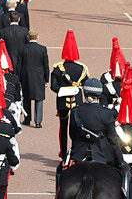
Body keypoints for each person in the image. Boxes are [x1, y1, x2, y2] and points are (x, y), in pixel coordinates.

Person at [50, 31, 89, 159]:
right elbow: (85, 84)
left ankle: (63, 152)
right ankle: (74, 152)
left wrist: (65, 90)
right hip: (77, 102)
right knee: (77, 128)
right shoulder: (82, 68)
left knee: (63, 128)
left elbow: (54, 87)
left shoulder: (58, 68)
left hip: (62, 103)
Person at [16, 30, 49, 127]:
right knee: (39, 99)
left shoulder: (22, 49)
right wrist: (47, 79)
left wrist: (19, 79)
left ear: (28, 37)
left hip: (26, 76)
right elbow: (45, 65)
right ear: (37, 37)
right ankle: (38, 121)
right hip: (39, 76)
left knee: (27, 98)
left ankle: (27, 119)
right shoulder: (42, 49)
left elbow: (19, 65)